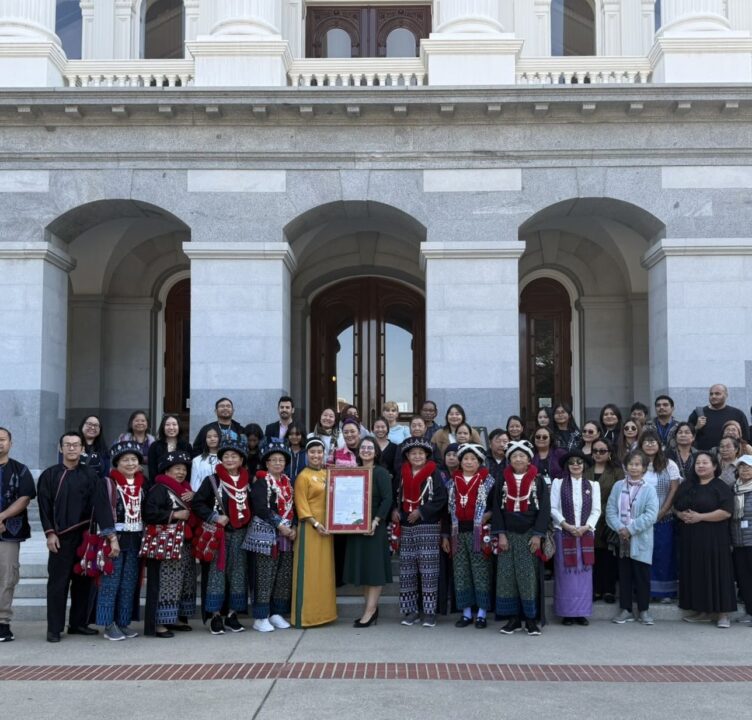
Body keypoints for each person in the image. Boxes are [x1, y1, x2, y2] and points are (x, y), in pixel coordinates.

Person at [37, 431, 99, 642]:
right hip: (60, 538)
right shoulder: (49, 475)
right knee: (58, 584)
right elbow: (44, 507)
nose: (72, 448)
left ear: (83, 449)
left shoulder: (90, 474)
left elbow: (96, 506)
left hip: (84, 536)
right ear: (60, 448)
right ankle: (54, 628)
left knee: (83, 582)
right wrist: (50, 533)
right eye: (68, 445)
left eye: (76, 445)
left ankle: (78, 624)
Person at [193, 437, 251, 635]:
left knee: (238, 574)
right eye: (226, 456)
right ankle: (215, 616)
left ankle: (232, 615)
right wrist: (214, 516)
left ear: (241, 460)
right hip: (220, 535)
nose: (230, 459)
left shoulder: (247, 481)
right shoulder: (212, 480)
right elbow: (198, 503)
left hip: (241, 534)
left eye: (234, 456)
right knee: (217, 575)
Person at [492, 440, 550, 636]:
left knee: (528, 577)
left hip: (529, 535)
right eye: (514, 456)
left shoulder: (538, 480)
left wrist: (538, 535)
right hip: (508, 534)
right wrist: (500, 534)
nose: (518, 459)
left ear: (528, 459)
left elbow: (544, 510)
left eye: (522, 456)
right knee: (507, 578)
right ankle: (514, 619)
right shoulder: (502, 479)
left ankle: (531, 619)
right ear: (509, 459)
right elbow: (497, 510)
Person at [673, 451, 737, 628]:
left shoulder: (720, 486)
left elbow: (726, 511)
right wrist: (681, 514)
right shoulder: (688, 485)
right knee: (698, 573)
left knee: (718, 572)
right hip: (691, 538)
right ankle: (703, 611)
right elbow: (675, 507)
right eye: (698, 463)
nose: (700, 466)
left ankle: (723, 614)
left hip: (714, 537)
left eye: (705, 463)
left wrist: (700, 517)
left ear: (714, 466)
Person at [392, 436, 448, 628]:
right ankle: (411, 611)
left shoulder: (435, 473)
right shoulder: (402, 473)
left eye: (420, 453)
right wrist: (395, 510)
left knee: (428, 570)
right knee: (407, 570)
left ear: (427, 455)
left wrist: (422, 511)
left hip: (428, 526)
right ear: (407, 455)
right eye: (413, 453)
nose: (416, 456)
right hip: (407, 526)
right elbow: (395, 496)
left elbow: (441, 499)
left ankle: (430, 612)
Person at [93, 440, 145, 641]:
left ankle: (123, 623)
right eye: (125, 460)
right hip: (115, 539)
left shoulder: (143, 483)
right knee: (110, 582)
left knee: (129, 583)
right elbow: (103, 511)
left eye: (134, 459)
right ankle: (108, 624)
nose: (130, 463)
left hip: (136, 538)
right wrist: (111, 538)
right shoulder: (107, 483)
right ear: (117, 463)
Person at [142, 450, 196, 638]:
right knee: (165, 583)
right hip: (164, 543)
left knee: (183, 582)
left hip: (183, 542)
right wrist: (174, 515)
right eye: (176, 469)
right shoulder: (159, 489)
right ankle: (159, 623)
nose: (180, 472)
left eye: (183, 469)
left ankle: (176, 618)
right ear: (166, 471)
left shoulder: (186, 490)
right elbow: (149, 513)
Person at [244, 440, 296, 632]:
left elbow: (294, 507)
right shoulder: (261, 482)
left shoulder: (288, 482)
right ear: (266, 463)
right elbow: (260, 508)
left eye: (280, 460)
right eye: (273, 460)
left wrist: (294, 526)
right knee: (264, 576)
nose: (277, 463)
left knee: (282, 576)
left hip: (285, 537)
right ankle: (260, 616)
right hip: (266, 536)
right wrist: (280, 525)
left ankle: (276, 613)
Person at [343, 437, 394, 627]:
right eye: (363, 447)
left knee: (373, 571)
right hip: (355, 526)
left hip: (374, 527)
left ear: (376, 452)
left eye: (370, 447)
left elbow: (387, 499)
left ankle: (370, 611)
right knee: (364, 570)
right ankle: (370, 608)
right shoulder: (353, 472)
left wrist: (375, 521)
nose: (365, 450)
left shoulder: (380, 473)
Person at [606, 450, 659, 625]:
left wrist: (630, 529)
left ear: (644, 468)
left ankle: (644, 610)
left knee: (642, 576)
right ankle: (626, 610)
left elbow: (651, 515)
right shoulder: (618, 486)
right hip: (622, 539)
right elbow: (610, 511)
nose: (634, 467)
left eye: (638, 464)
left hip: (640, 539)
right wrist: (621, 528)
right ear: (625, 466)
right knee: (625, 575)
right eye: (631, 464)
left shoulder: (649, 489)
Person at [445, 443, 494, 629]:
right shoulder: (452, 482)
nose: (469, 462)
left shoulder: (488, 481)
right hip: (458, 532)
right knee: (461, 573)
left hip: (479, 533)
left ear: (480, 461)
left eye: (473, 459)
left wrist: (487, 516)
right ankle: (465, 613)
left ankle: (481, 613)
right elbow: (447, 511)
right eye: (465, 458)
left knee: (480, 572)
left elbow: (495, 507)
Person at [550, 449, 601, 626]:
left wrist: (586, 527)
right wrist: (567, 525)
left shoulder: (593, 485)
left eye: (579, 462)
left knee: (584, 575)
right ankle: (567, 613)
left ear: (584, 465)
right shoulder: (558, 483)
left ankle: (581, 613)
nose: (576, 465)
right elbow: (553, 508)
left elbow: (596, 510)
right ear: (567, 466)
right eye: (572, 462)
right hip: (564, 533)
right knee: (565, 575)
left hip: (585, 534)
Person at [291, 438, 337, 628]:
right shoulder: (303, 476)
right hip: (311, 529)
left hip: (328, 529)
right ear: (306, 454)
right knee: (309, 572)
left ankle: (324, 614)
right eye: (312, 452)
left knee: (324, 573)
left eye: (319, 452)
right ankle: (306, 616)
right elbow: (301, 504)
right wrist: (316, 523)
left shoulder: (328, 474)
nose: (316, 455)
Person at [0, 427, 36, 643]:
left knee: (7, 576)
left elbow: (25, 498)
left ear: (11, 443)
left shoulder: (20, 469)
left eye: (2, 439)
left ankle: (2, 622)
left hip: (10, 532)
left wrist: (1, 517)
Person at [639, 430, 681, 603]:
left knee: (663, 553)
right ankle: (645, 591)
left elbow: (674, 489)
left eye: (653, 441)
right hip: (641, 519)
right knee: (643, 555)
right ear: (640, 445)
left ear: (660, 445)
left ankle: (664, 593)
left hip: (663, 517)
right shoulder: (635, 463)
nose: (650, 444)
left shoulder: (669, 464)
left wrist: (662, 511)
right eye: (646, 442)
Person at [585, 439, 624, 603]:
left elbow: (621, 494)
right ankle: (594, 589)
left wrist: (603, 509)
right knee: (592, 555)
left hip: (609, 518)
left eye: (602, 451)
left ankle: (608, 590)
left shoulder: (616, 471)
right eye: (595, 451)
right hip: (589, 519)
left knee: (608, 556)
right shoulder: (586, 470)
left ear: (609, 453)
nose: (598, 454)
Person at [688, 384, 750, 451]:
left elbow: (745, 439)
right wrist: (696, 427)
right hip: (704, 457)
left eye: (717, 394)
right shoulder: (698, 413)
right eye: (711, 394)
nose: (713, 396)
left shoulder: (738, 414)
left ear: (726, 395)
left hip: (730, 456)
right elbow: (687, 436)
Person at [731, 455, 752, 624]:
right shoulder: (734, 488)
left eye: (749, 467)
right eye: (742, 467)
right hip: (738, 542)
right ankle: (749, 612)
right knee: (744, 579)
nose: (745, 470)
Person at [147, 414, 192, 485]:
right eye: (167, 425)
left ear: (179, 427)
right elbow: (152, 471)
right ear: (163, 427)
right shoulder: (155, 446)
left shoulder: (186, 446)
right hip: (160, 486)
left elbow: (189, 470)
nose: (171, 427)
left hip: (181, 487)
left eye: (174, 424)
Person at [78, 415, 110, 479]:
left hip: (97, 486)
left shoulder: (103, 449)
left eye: (96, 425)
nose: (92, 427)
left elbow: (106, 473)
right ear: (82, 426)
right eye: (89, 424)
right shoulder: (72, 446)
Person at [190, 428, 220, 492]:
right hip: (202, 497)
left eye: (215, 436)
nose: (212, 439)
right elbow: (194, 484)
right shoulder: (197, 460)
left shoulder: (226, 459)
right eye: (209, 437)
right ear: (205, 439)